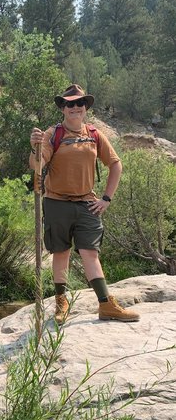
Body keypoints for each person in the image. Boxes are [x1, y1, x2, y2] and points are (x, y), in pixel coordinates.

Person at [29, 84, 140, 324]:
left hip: (87, 203)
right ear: (63, 108)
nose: (75, 107)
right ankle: (61, 302)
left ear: (85, 107)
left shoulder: (94, 134)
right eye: (69, 104)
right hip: (56, 202)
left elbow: (115, 165)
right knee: (61, 253)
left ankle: (106, 304)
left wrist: (106, 199)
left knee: (90, 252)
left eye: (79, 103)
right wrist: (35, 146)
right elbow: (37, 165)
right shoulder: (52, 134)